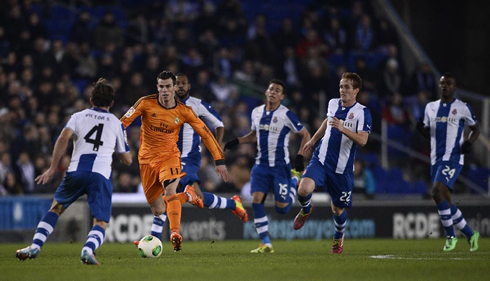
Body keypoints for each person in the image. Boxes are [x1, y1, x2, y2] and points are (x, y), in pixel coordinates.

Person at [16, 78, 132, 265]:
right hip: (100, 176)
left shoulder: (78, 116)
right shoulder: (117, 123)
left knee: (56, 207)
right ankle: (87, 250)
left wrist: (52, 168)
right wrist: (119, 150)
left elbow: (63, 138)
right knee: (100, 221)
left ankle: (35, 246)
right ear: (112, 103)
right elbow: (127, 160)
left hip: (76, 171)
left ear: (91, 101)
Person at [121, 70, 228, 252]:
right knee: (158, 210)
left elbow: (206, 134)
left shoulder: (184, 111)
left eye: (168, 86)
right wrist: (122, 148)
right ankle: (187, 195)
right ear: (157, 87)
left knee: (170, 190)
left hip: (170, 158)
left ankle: (175, 234)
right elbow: (121, 124)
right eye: (161, 87)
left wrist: (219, 159)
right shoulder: (145, 103)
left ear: (174, 88)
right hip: (146, 161)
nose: (164, 90)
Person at [224, 79, 311, 253]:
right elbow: (254, 136)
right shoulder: (256, 112)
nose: (273, 92)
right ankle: (265, 243)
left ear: (282, 96)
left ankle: (294, 180)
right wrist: (237, 141)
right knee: (256, 200)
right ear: (266, 92)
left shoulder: (286, 114)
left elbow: (305, 134)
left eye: (277, 90)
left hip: (280, 167)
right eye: (271, 89)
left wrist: (301, 155)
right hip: (261, 166)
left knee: (282, 209)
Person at [292, 72, 372, 254]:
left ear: (356, 90)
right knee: (303, 189)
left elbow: (363, 140)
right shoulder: (333, 103)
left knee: (337, 209)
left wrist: (343, 128)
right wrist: (312, 141)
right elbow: (328, 121)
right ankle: (306, 209)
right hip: (321, 160)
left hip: (342, 169)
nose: (342, 90)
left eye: (347, 87)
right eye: (341, 86)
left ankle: (338, 236)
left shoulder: (362, 112)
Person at [416, 73, 480, 252]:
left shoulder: (462, 108)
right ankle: (470, 234)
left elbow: (475, 129)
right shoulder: (430, 107)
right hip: (435, 159)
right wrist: (421, 130)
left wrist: (468, 142)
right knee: (444, 200)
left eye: (448, 84)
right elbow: (428, 131)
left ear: (455, 87)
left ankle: (451, 237)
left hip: (453, 158)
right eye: (442, 83)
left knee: (437, 192)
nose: (444, 86)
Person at [174, 73, 247, 221]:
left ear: (189, 86)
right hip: (170, 158)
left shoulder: (197, 105)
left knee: (168, 195)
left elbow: (219, 124)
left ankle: (154, 236)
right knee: (196, 197)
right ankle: (233, 204)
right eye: (177, 83)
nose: (181, 86)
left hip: (188, 158)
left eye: (184, 83)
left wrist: (217, 151)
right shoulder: (164, 106)